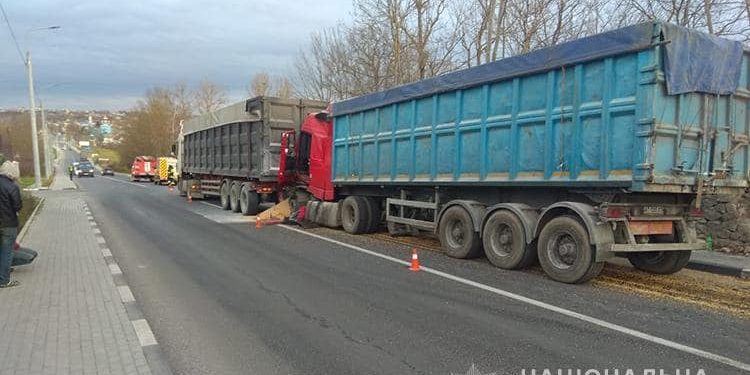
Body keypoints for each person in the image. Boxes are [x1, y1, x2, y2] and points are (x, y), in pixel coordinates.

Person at [0, 158, 22, 288]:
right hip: (8, 224)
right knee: (7, 252)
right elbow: (17, 206)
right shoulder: (12, 186)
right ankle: (4, 280)